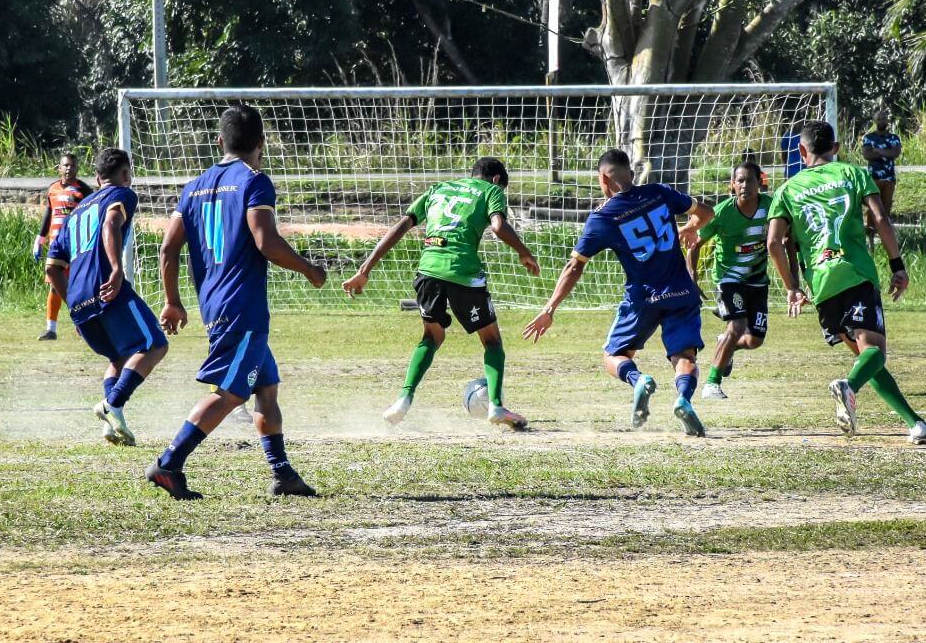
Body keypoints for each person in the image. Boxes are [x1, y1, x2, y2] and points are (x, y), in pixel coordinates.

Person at [149, 104, 325, 500]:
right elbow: (266, 241)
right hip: (242, 307)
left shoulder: (194, 187)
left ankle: (283, 473)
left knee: (267, 387)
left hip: (215, 303)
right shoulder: (254, 181)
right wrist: (309, 269)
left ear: (219, 142)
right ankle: (169, 463)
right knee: (231, 393)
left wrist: (172, 301)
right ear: (262, 143)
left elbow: (168, 248)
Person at [523, 149, 715, 437]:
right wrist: (690, 228)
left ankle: (638, 380)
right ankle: (683, 400)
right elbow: (706, 212)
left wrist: (549, 309)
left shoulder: (603, 217)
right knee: (684, 355)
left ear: (603, 178)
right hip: (681, 292)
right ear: (631, 174)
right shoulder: (660, 192)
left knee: (614, 355)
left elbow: (574, 267)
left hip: (643, 299)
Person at [342, 157, 540, 428]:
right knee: (492, 341)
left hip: (429, 270)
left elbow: (401, 226)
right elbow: (498, 226)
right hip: (463, 271)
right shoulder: (491, 191)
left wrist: (365, 270)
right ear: (496, 180)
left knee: (431, 336)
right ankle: (495, 405)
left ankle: (403, 399)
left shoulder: (439, 189)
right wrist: (524, 252)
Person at [766, 120, 926, 444]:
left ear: (801, 151)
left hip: (821, 284)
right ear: (836, 148)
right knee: (875, 352)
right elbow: (879, 218)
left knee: (866, 358)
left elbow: (774, 242)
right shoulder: (853, 173)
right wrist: (897, 265)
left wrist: (791, 287)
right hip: (854, 272)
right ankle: (848, 387)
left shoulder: (787, 190)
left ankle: (915, 423)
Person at [44, 148, 167, 446]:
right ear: (125, 174)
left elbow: (52, 267)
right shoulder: (122, 194)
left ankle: (113, 425)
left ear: (97, 178)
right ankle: (112, 404)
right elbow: (111, 223)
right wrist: (116, 270)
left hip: (78, 298)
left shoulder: (75, 214)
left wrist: (73, 306)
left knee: (118, 358)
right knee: (154, 345)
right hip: (106, 287)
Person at [685, 161, 774, 400]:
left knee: (755, 340)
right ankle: (712, 384)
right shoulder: (722, 213)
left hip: (757, 281)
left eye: (750, 180)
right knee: (737, 325)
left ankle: (726, 343)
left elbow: (785, 238)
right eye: (740, 181)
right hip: (728, 279)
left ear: (760, 183)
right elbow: (694, 245)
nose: (745, 185)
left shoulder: (771, 207)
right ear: (732, 185)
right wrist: (693, 278)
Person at [34, 153, 92, 341]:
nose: (69, 169)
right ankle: (50, 329)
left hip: (76, 246)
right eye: (66, 165)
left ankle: (82, 324)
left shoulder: (84, 191)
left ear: (77, 168)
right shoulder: (52, 189)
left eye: (72, 165)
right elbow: (48, 214)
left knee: (78, 286)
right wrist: (40, 240)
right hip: (56, 246)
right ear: (59, 168)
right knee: (55, 286)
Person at [861, 109, 902, 248]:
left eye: (883, 118)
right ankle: (870, 239)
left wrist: (878, 150)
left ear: (887, 120)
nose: (881, 121)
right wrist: (886, 153)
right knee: (872, 209)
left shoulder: (894, 137)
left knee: (886, 209)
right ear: (874, 121)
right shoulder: (869, 137)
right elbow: (867, 155)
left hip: (889, 178)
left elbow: (895, 153)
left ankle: (885, 240)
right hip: (873, 179)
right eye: (879, 119)